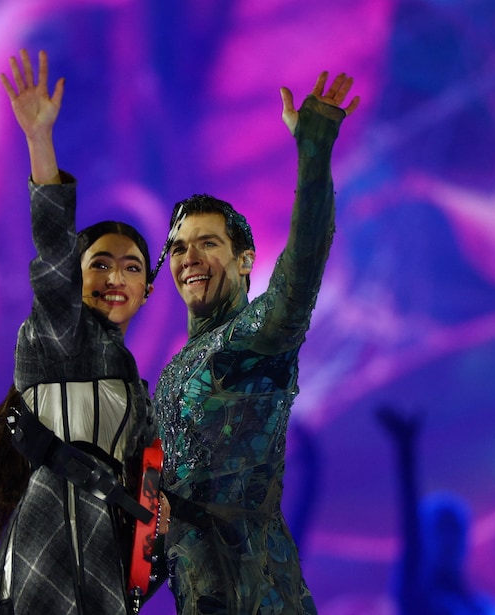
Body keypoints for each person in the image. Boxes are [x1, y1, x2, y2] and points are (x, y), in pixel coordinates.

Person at [0, 49, 160, 615]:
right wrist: (40, 141)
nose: (115, 277)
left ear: (148, 290)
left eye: (132, 267)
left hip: (105, 567)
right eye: (99, 263)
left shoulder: (134, 383)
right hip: (49, 551)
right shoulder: (57, 335)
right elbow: (54, 249)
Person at [151, 69, 360, 614]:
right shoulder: (179, 368)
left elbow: (301, 272)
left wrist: (313, 152)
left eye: (207, 243)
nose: (189, 258)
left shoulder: (252, 341)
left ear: (246, 261)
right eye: (177, 247)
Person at [375, 405, 495, 615]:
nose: (449, 541)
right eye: (440, 530)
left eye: (455, 530)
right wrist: (406, 454)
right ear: (424, 536)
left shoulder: (485, 607)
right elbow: (411, 543)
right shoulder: (416, 598)